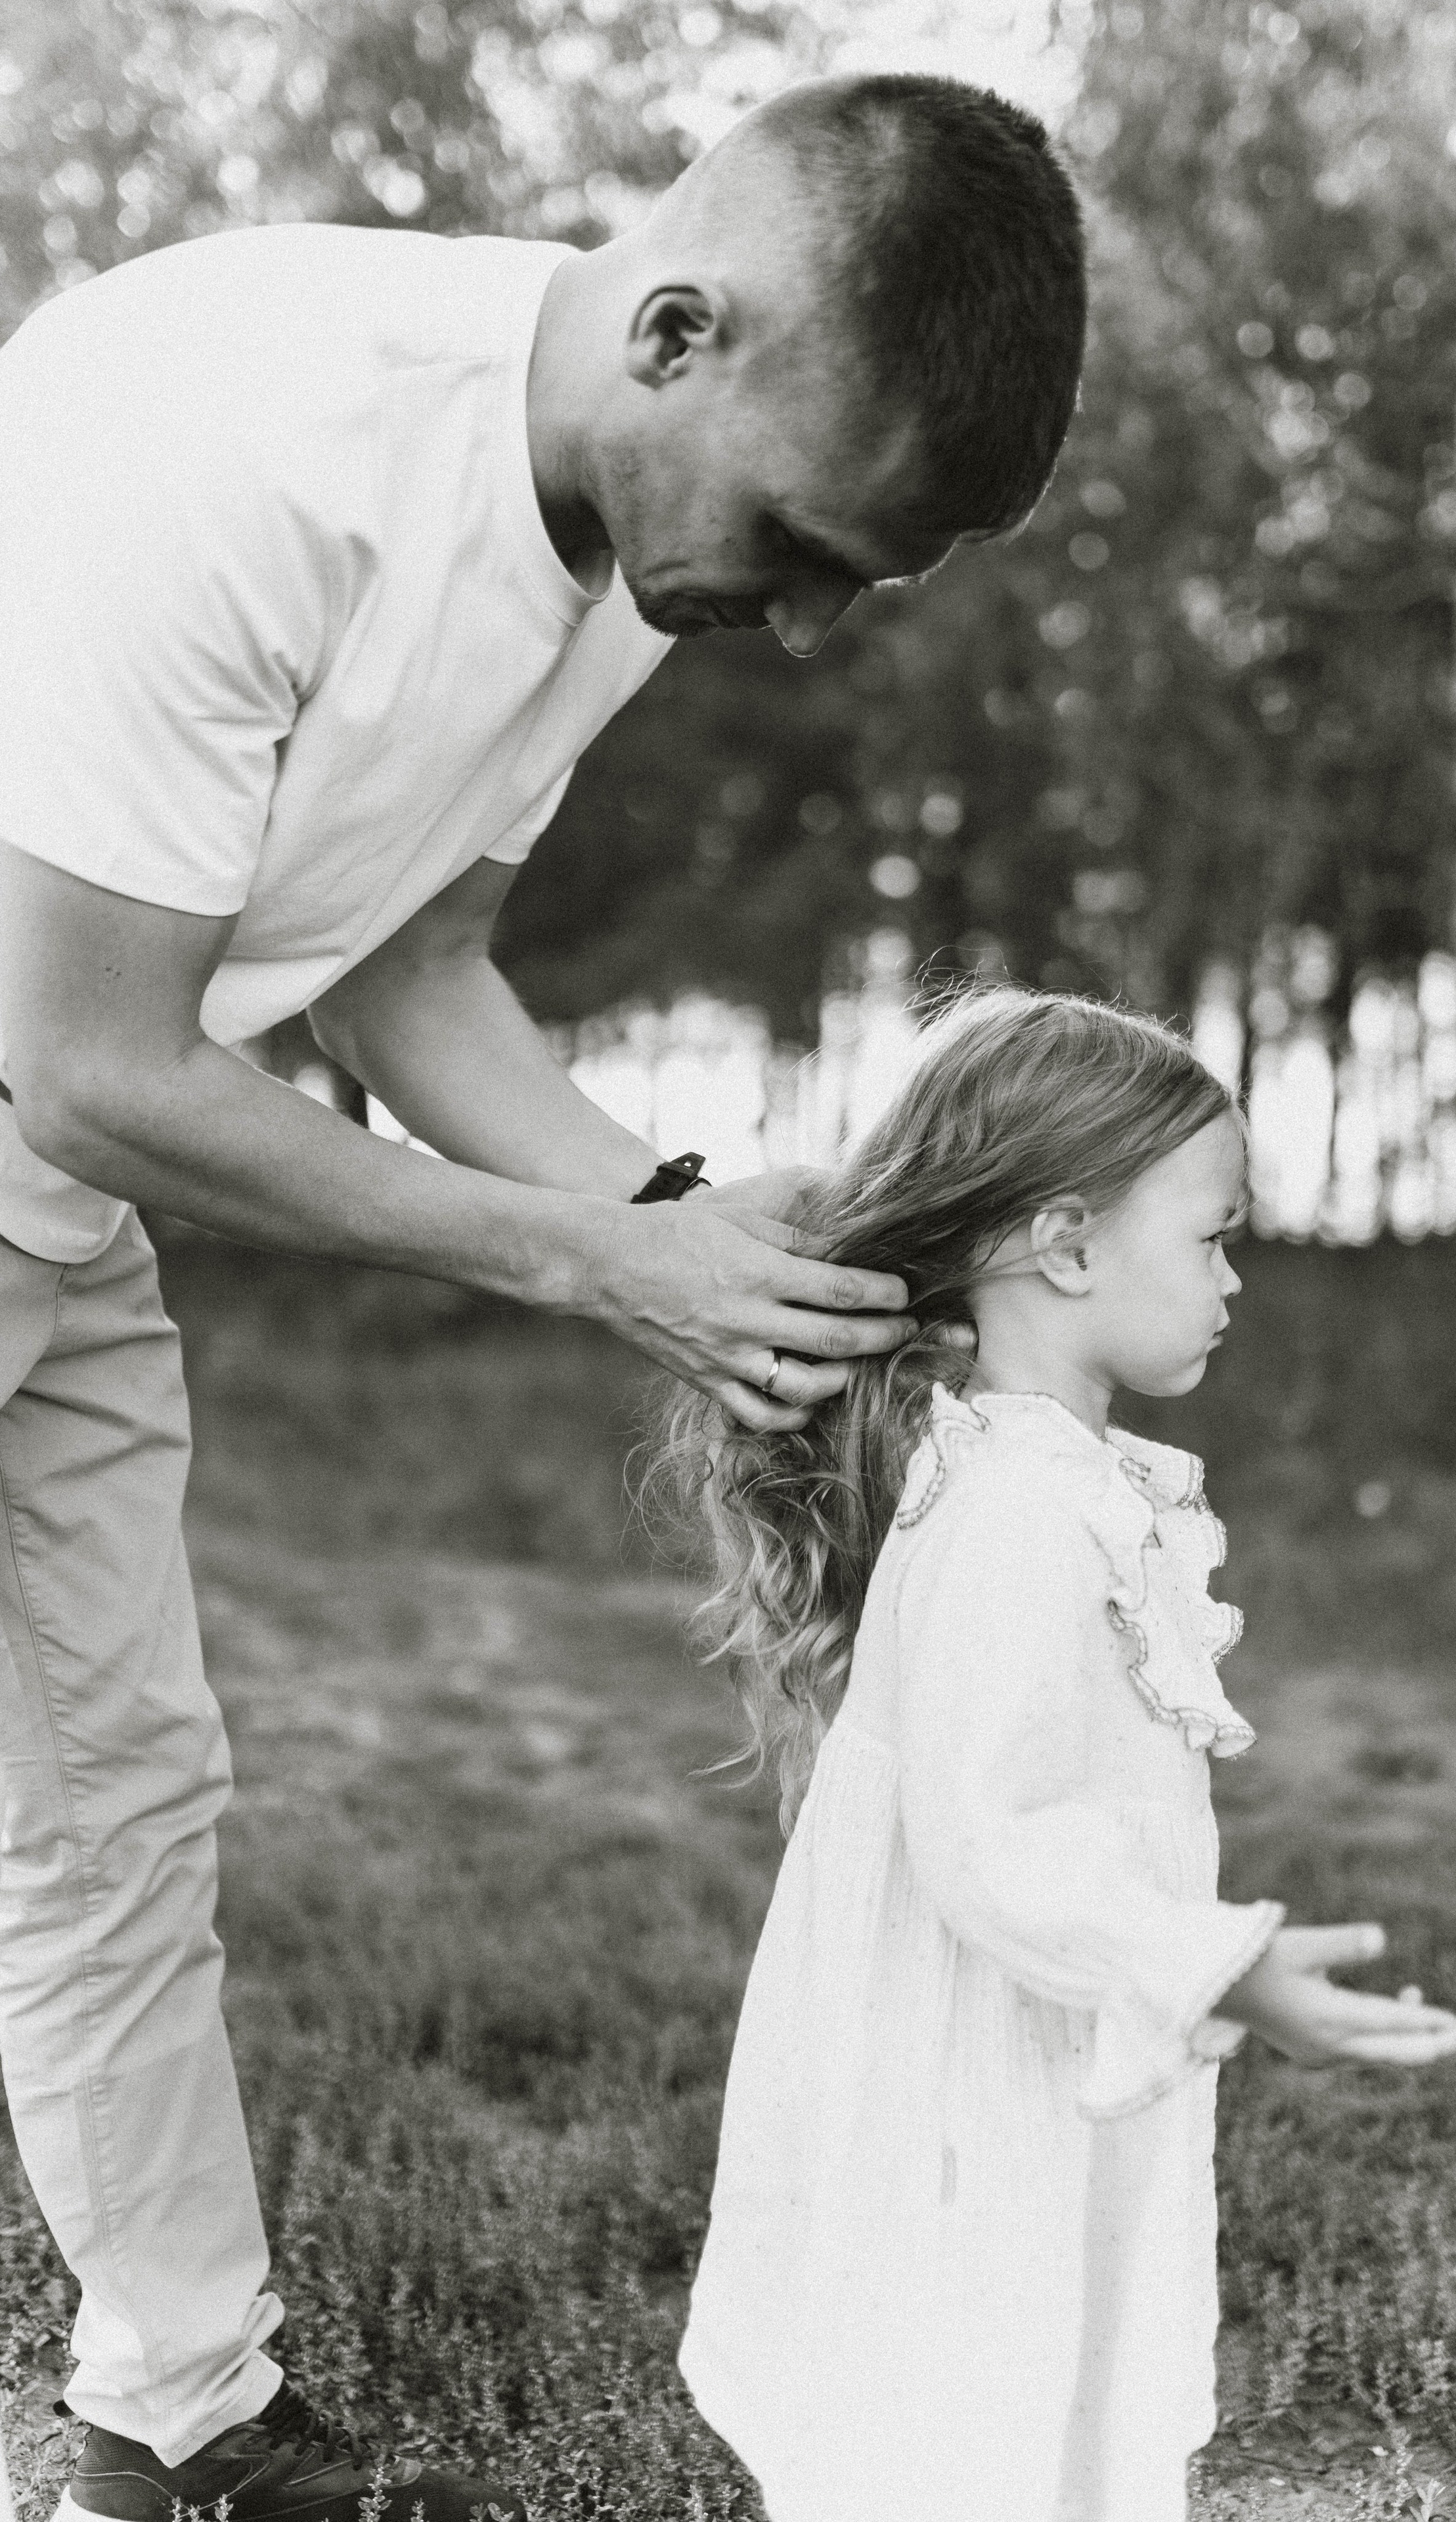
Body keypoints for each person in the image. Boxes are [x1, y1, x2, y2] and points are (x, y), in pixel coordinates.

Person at [0, 72, 1088, 2522]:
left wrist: (706, 1217)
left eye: (856, 585)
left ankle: (176, 2427)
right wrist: (603, 1264)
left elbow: (408, 961)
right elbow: (86, 1062)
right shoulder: (233, 439)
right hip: (56, 1120)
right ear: (681, 328)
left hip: (46, 1228)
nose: (796, 622)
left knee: (112, 1803)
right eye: (806, 547)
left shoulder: (619, 537)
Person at [656, 989, 1456, 2522]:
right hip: (977, 2092)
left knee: (1039, 2396)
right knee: (978, 2408)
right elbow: (991, 1841)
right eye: (1213, 1236)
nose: (1234, 1279)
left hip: (1030, 2053)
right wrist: (1213, 1966)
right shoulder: (1020, 1515)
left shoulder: (1042, 1481)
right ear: (1068, 1246)